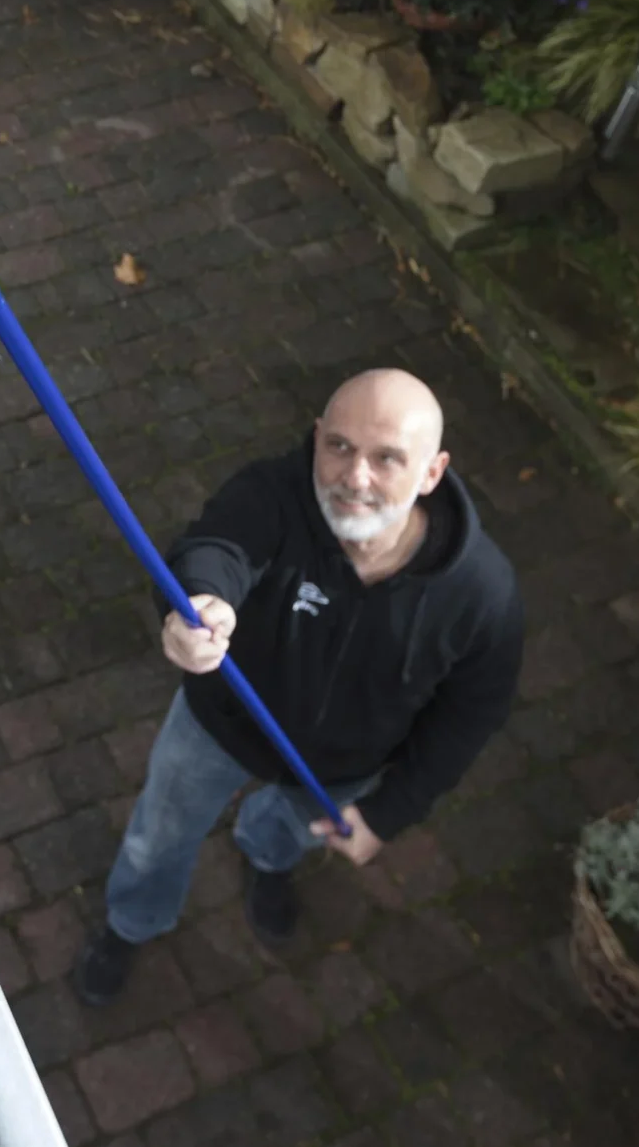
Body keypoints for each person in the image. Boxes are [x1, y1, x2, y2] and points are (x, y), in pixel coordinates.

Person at [74, 367, 523, 1006]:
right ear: (316, 438)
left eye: (387, 458)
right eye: (338, 445)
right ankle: (130, 923)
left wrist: (391, 811)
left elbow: (470, 716)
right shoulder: (273, 494)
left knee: (286, 833)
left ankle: (267, 862)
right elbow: (216, 546)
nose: (354, 477)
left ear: (431, 472)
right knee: (160, 834)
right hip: (218, 728)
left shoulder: (483, 595)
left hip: (340, 771)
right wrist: (198, 601)